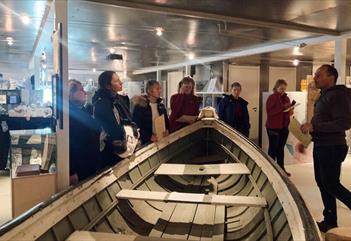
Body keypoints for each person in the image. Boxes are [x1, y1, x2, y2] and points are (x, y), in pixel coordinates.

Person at [301, 64, 351, 232]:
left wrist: (315, 128)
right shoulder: (324, 95)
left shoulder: (338, 95)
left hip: (332, 147)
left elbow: (343, 123)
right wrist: (307, 137)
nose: (315, 78)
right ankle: (330, 220)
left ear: (331, 77)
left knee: (330, 184)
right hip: (322, 145)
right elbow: (321, 121)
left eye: (319, 75)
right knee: (323, 183)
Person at [92, 71, 134, 168]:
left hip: (124, 144)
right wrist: (129, 131)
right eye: (116, 81)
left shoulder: (118, 99)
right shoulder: (101, 103)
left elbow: (128, 118)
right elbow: (112, 129)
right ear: (108, 86)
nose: (121, 82)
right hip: (110, 149)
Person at [68, 79, 101, 185]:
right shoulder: (68, 114)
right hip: (80, 167)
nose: (85, 93)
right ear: (71, 94)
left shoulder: (81, 110)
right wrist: (71, 171)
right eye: (81, 90)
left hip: (88, 163)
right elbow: (68, 144)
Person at [266, 79, 294, 177]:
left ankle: (281, 170)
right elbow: (270, 113)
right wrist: (283, 107)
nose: (283, 91)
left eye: (284, 89)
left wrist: (290, 111)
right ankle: (270, 171)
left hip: (284, 127)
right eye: (281, 89)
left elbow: (286, 112)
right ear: (276, 88)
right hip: (273, 127)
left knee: (280, 149)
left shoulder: (286, 98)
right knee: (273, 149)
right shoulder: (272, 98)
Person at [132, 80, 169, 145]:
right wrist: (149, 136)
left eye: (160, 88)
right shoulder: (140, 107)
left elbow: (167, 122)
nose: (160, 91)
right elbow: (135, 127)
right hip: (147, 143)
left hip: (161, 140)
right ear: (149, 91)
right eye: (157, 89)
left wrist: (167, 130)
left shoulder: (161, 106)